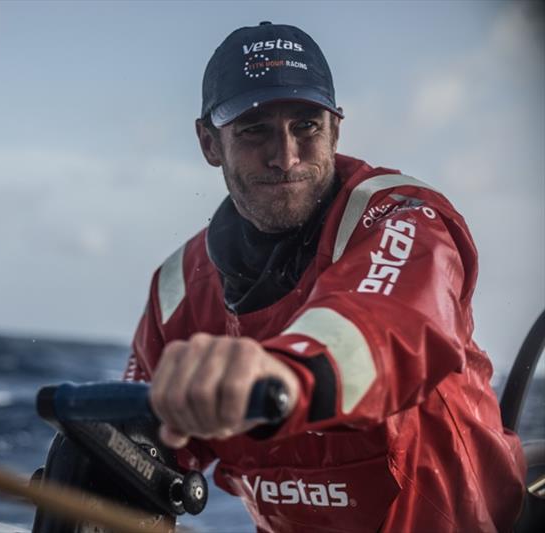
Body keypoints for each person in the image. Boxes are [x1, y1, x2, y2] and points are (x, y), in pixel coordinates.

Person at [123, 22, 526, 532]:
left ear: (335, 130)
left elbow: (386, 327)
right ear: (208, 143)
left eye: (306, 126)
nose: (285, 156)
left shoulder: (405, 217)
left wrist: (279, 375)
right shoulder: (175, 292)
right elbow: (145, 450)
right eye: (254, 130)